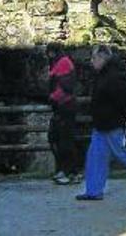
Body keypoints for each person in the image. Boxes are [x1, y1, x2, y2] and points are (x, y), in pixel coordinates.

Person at [76, 45, 126, 201]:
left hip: (113, 125)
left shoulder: (113, 77)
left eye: (94, 58)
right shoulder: (104, 75)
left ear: (102, 58)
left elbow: (123, 101)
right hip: (102, 125)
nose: (92, 62)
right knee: (95, 157)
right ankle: (93, 191)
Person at [47, 43, 80, 185]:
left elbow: (65, 86)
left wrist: (53, 97)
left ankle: (68, 171)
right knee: (58, 138)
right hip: (63, 107)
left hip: (64, 107)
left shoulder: (62, 64)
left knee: (64, 140)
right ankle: (67, 171)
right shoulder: (62, 62)